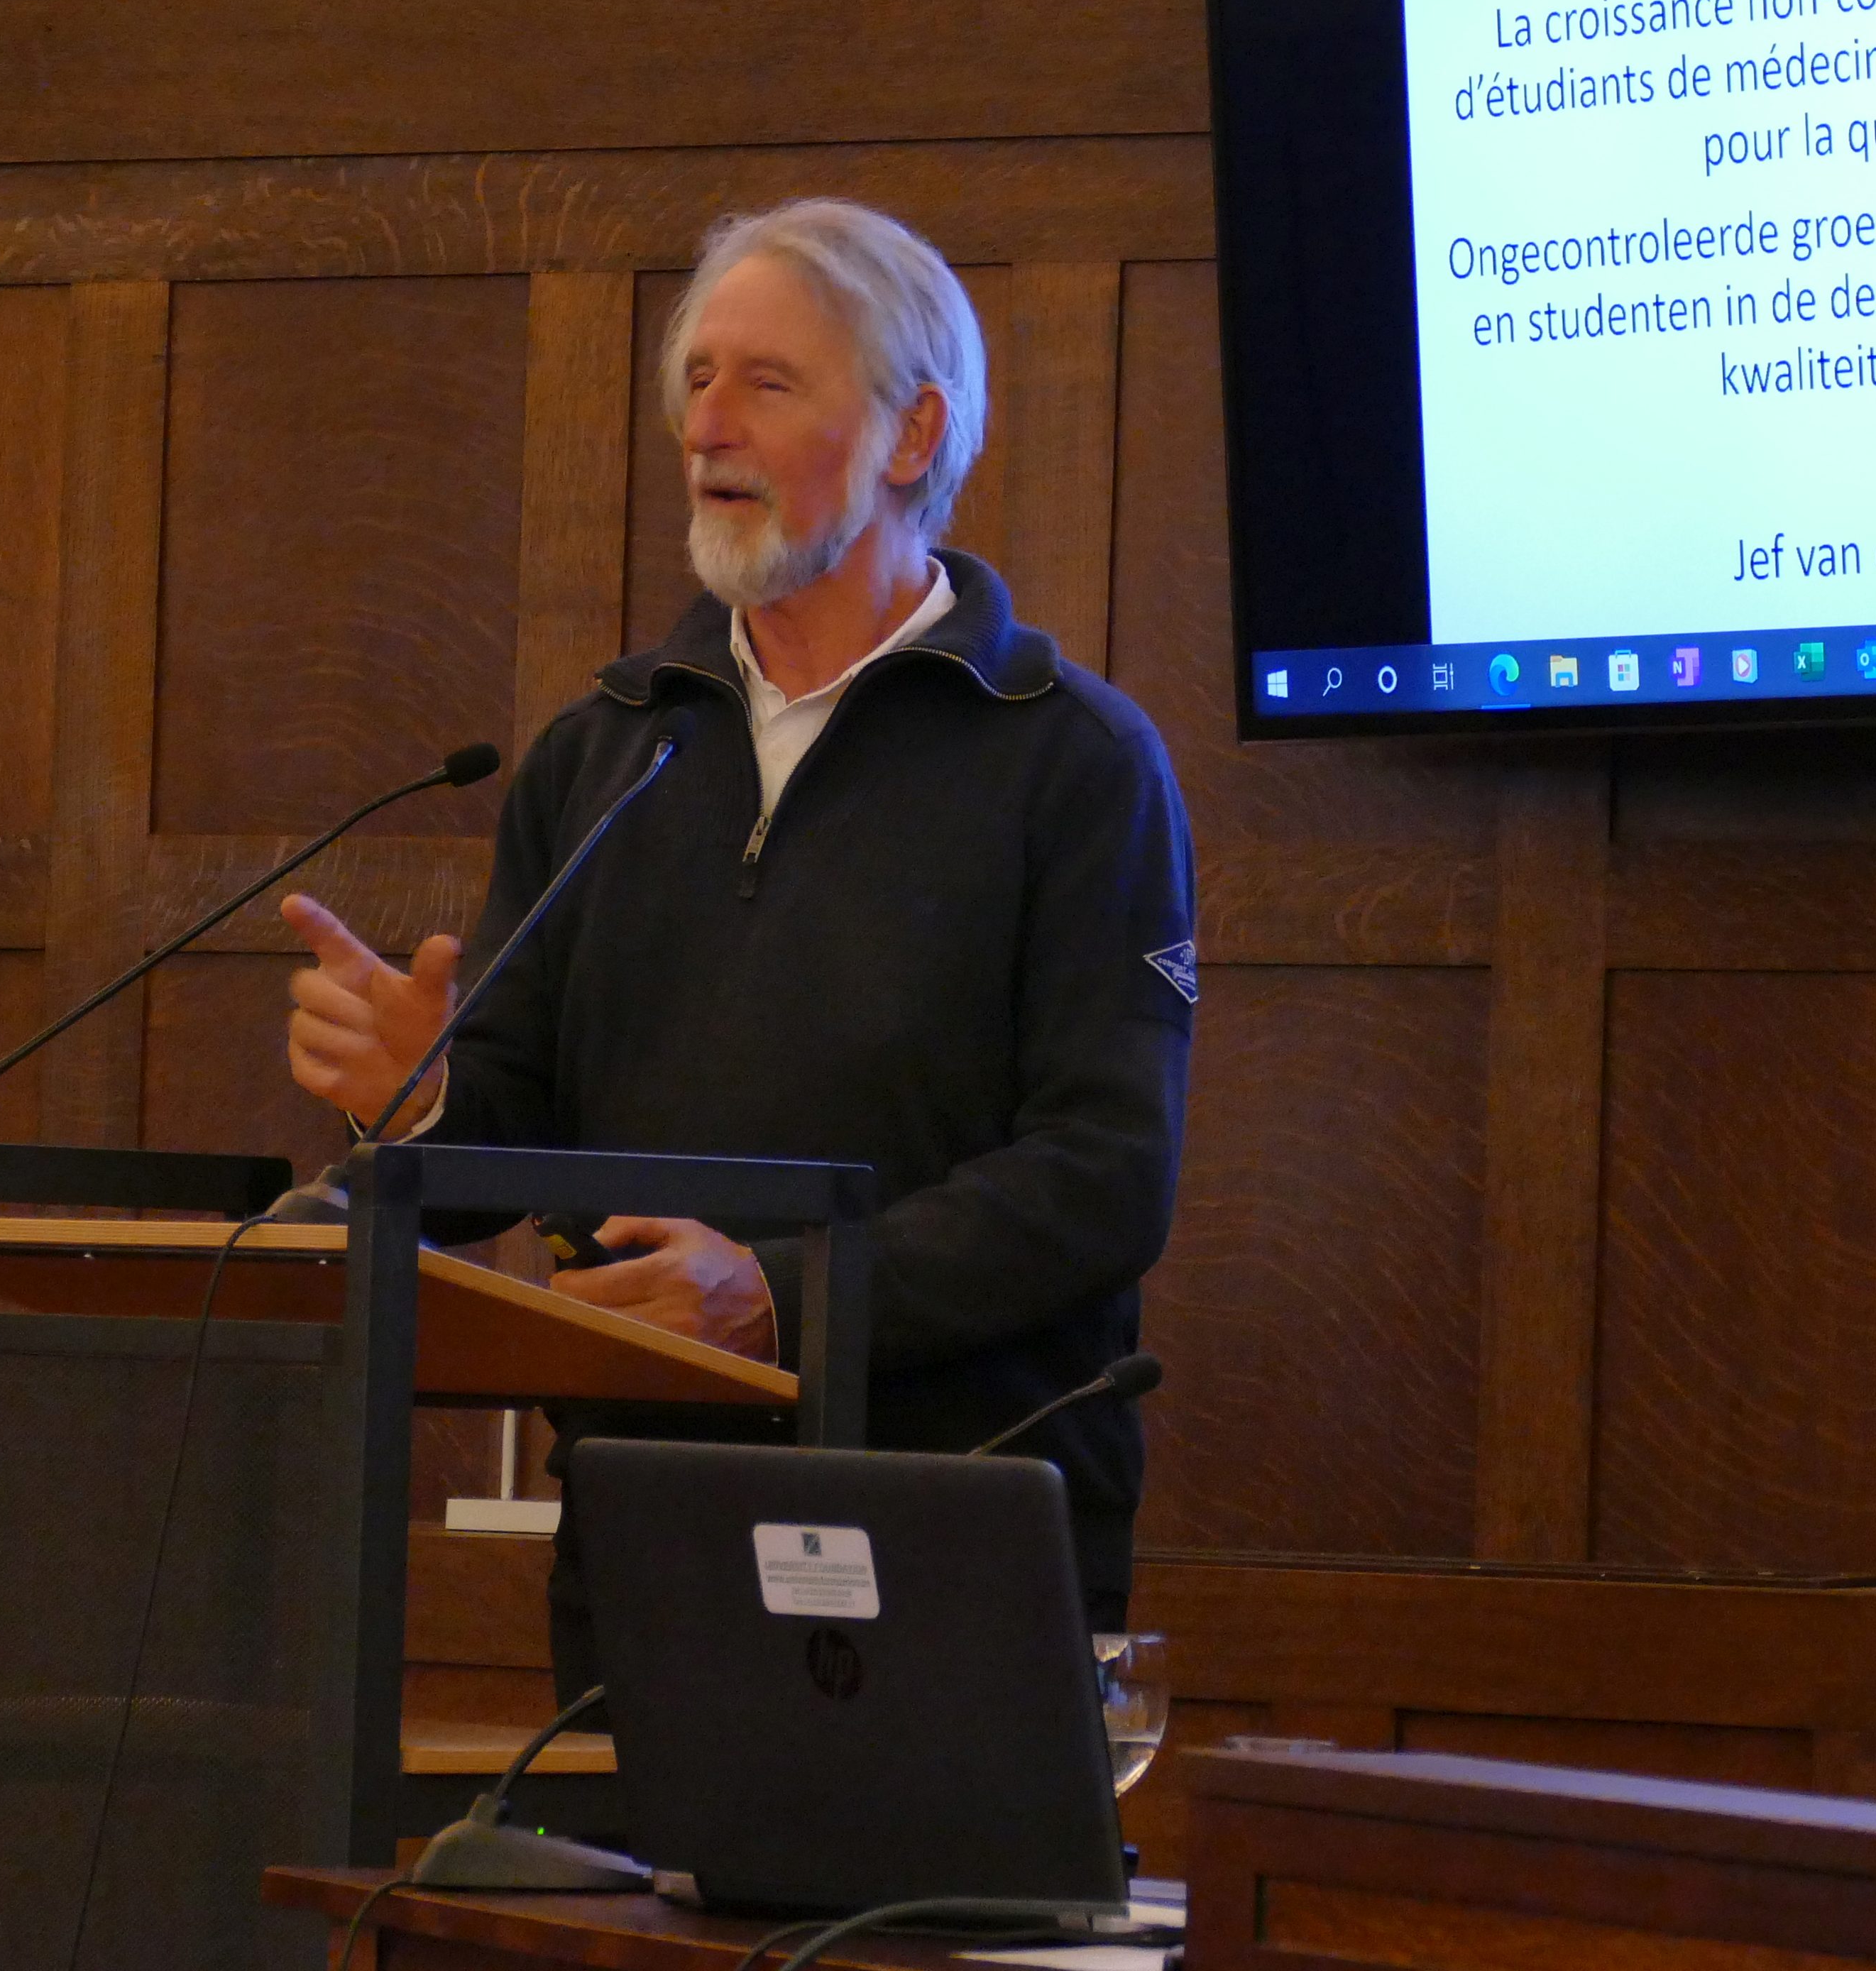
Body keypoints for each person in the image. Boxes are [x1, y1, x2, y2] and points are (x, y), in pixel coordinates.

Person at [279, 197, 1194, 1682]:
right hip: (649, 1510)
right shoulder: (603, 750)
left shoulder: (1071, 760)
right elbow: (506, 1144)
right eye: (699, 381)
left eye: (769, 384)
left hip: (956, 1517)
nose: (709, 426)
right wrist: (426, 1106)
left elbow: (1105, 1175)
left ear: (912, 435)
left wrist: (785, 1297)